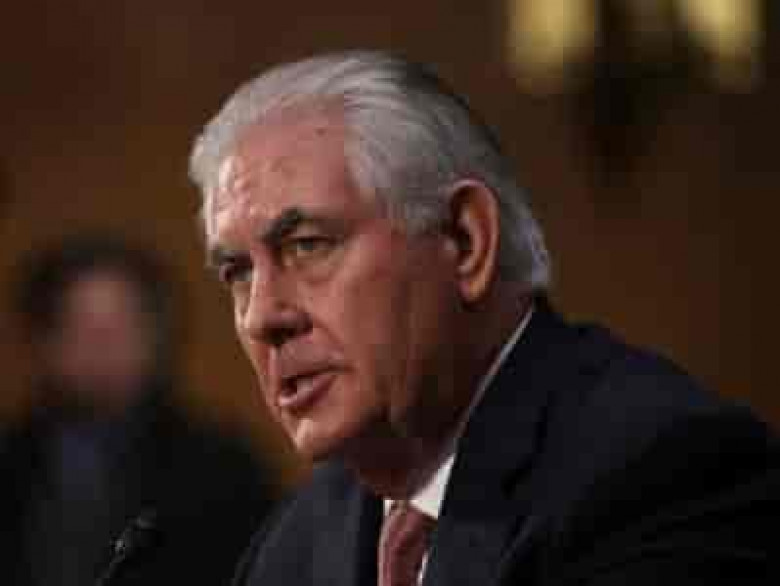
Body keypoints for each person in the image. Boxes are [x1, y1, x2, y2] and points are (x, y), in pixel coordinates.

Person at [187, 51, 780, 585]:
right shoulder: (296, 543)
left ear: (465, 241)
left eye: (308, 245)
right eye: (237, 272)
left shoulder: (662, 475)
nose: (262, 316)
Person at [0, 235, 276, 586]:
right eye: (80, 326)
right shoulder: (11, 463)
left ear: (158, 336)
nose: (101, 348)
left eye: (120, 327)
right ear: (43, 339)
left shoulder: (221, 470)